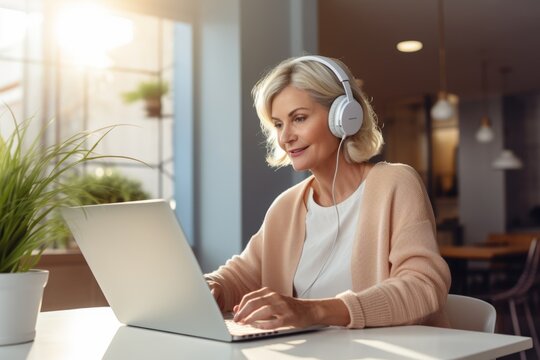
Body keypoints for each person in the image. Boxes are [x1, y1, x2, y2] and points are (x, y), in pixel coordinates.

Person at [205, 55, 451, 330]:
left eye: (298, 118)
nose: (285, 137)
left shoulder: (395, 184)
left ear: (344, 117)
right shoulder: (286, 207)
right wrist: (209, 287)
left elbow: (424, 285)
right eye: (278, 124)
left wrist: (315, 311)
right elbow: (241, 276)